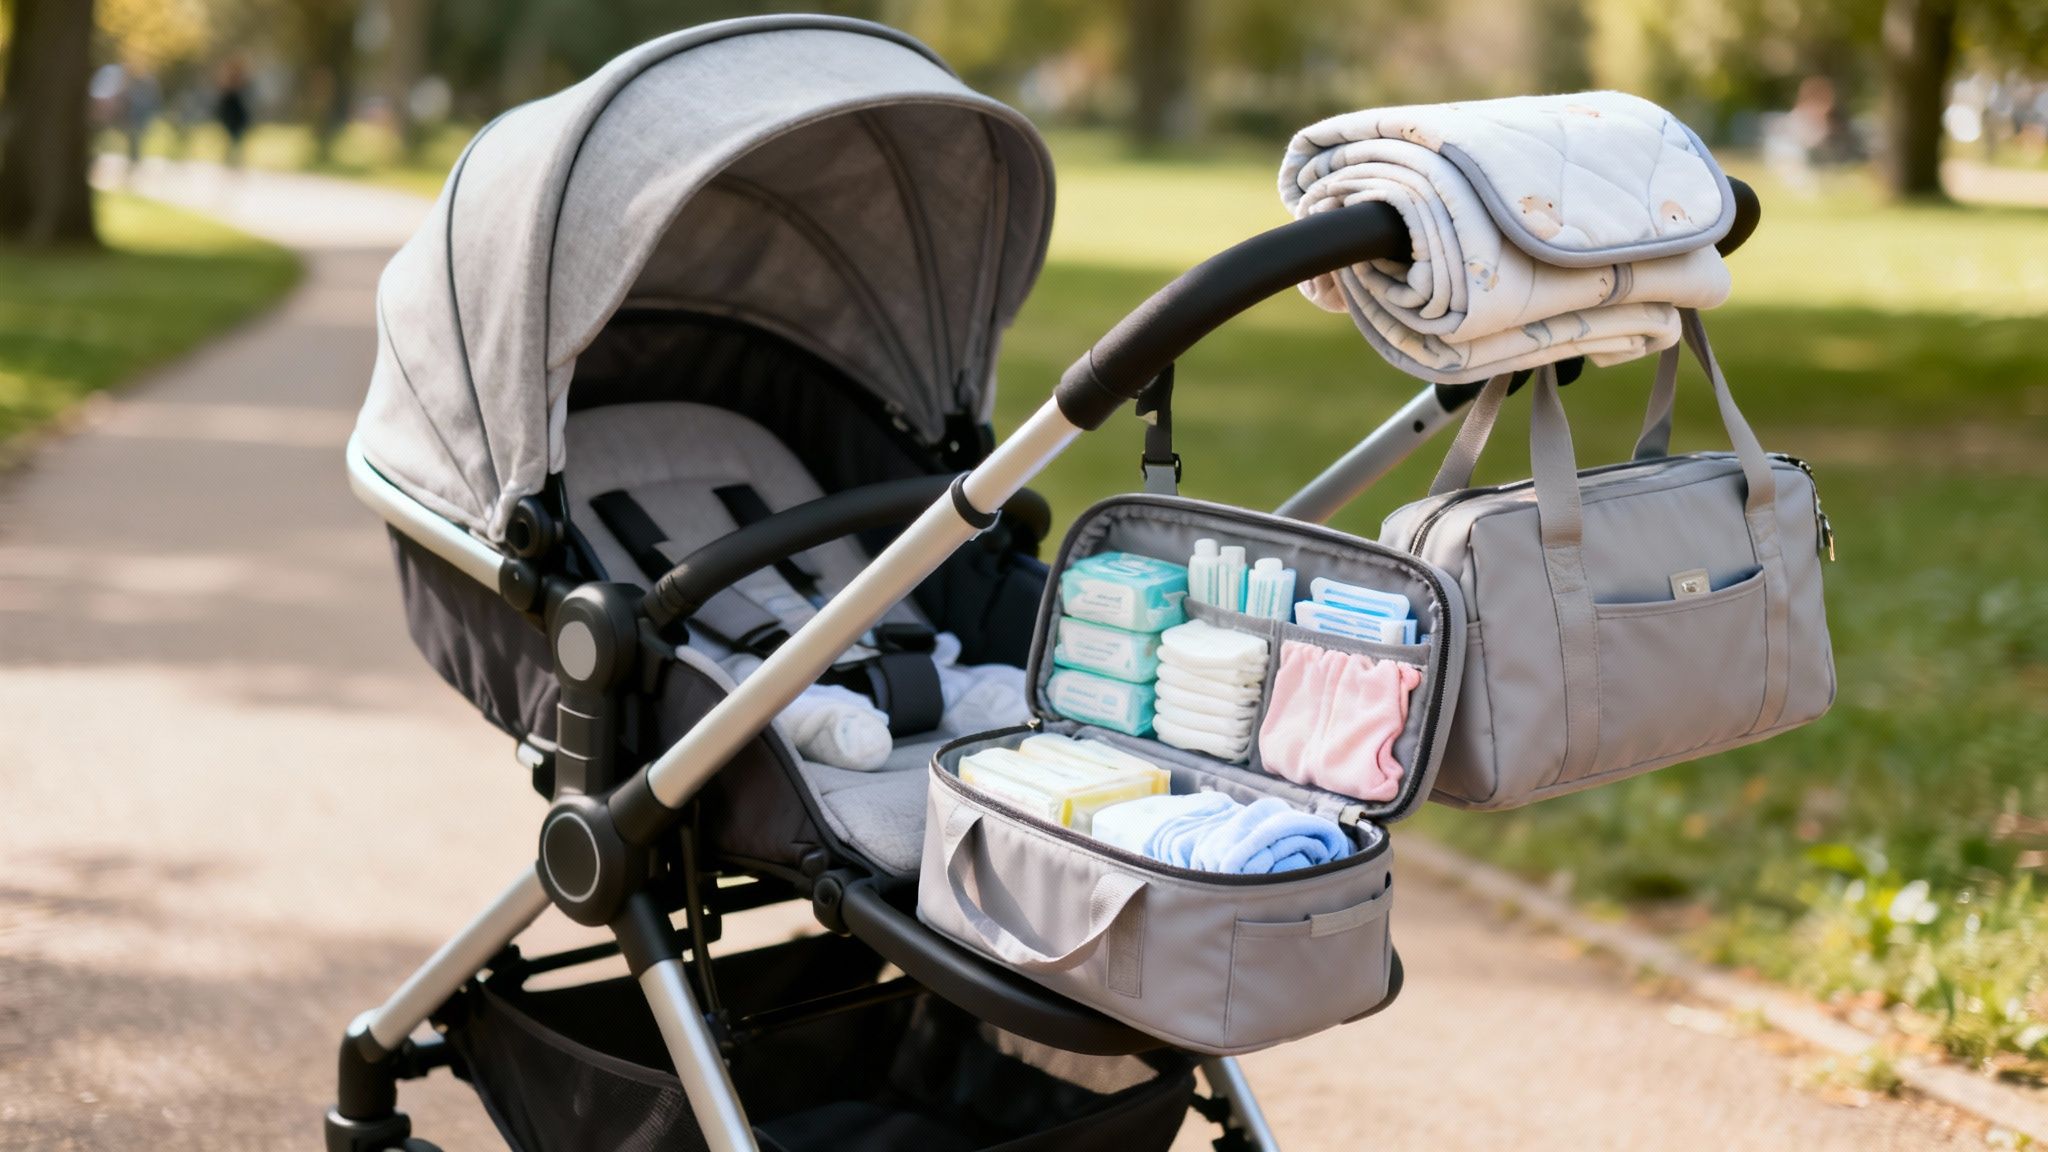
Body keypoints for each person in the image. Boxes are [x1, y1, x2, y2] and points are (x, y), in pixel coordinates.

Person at [216, 59, 251, 168]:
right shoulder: (229, 87)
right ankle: (231, 161)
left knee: (236, 140)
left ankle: (234, 161)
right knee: (232, 139)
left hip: (236, 115)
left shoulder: (241, 85)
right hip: (231, 114)